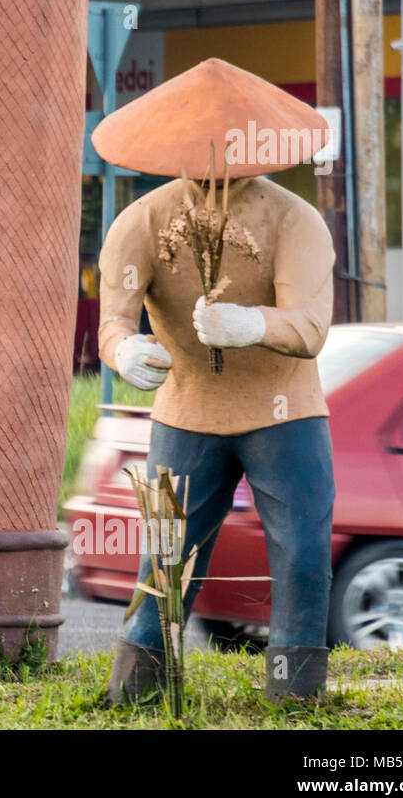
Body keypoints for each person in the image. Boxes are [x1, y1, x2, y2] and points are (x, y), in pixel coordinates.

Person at [92, 59, 337, 704]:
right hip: (186, 413)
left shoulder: (294, 220)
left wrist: (251, 323)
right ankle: (141, 687)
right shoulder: (142, 222)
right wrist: (126, 354)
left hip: (284, 416)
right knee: (167, 558)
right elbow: (111, 323)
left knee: (302, 553)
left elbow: (310, 328)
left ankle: (295, 694)